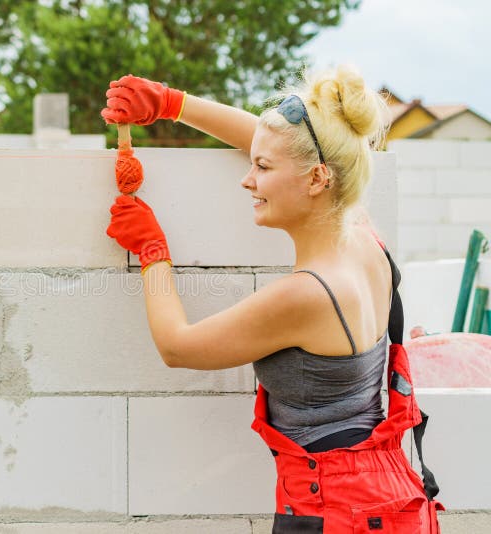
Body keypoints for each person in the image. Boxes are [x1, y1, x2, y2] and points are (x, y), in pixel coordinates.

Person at [102, 64, 443, 533]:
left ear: (317, 179)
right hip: (392, 497)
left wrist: (152, 253)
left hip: (334, 513)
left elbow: (177, 346)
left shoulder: (305, 295)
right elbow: (273, 143)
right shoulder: (362, 234)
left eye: (261, 169)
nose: (248, 179)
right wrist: (169, 102)